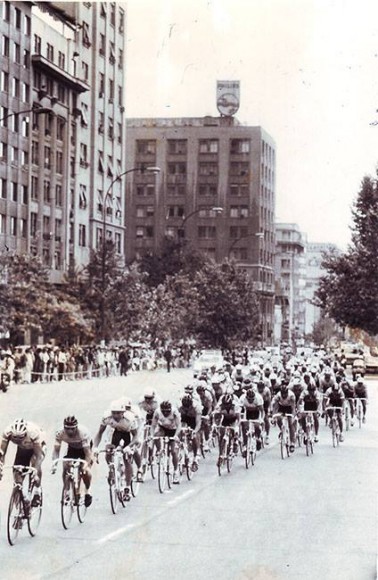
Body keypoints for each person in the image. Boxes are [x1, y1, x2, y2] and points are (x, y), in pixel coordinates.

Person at [93, 399, 142, 500]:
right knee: (108, 451)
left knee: (127, 458)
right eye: (113, 413)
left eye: (118, 413)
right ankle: (112, 469)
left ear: (123, 413)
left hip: (127, 434)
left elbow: (136, 435)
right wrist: (95, 447)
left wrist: (129, 446)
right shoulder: (106, 417)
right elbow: (100, 433)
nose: (115, 415)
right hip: (115, 432)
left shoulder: (130, 419)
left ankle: (127, 487)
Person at [0, 418, 46, 506]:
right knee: (17, 471)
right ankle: (20, 496)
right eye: (15, 438)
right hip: (23, 449)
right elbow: (1, 453)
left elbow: (39, 456)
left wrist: (35, 472)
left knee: (34, 465)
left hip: (37, 448)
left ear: (25, 433)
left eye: (20, 437)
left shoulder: (33, 433)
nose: (18, 440)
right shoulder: (7, 432)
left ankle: (37, 491)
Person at [51, 416, 93, 507]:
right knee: (65, 465)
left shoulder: (83, 433)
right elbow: (56, 450)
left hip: (84, 449)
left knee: (85, 470)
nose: (70, 431)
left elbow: (88, 454)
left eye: (72, 429)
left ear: (76, 427)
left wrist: (86, 465)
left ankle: (87, 491)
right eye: (67, 429)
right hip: (72, 448)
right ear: (64, 427)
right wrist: (54, 463)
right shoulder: (60, 433)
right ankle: (66, 491)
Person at [151, 400, 181, 484]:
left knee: (173, 451)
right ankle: (159, 451)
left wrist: (176, 436)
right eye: (163, 411)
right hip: (163, 428)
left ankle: (176, 471)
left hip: (173, 429)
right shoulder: (157, 412)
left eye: (167, 411)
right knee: (156, 436)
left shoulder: (175, 412)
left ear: (170, 410)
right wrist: (151, 435)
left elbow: (179, 426)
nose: (165, 413)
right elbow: (153, 425)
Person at [214, 393, 241, 464]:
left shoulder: (235, 406)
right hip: (225, 419)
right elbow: (216, 416)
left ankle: (235, 442)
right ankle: (221, 454)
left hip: (234, 420)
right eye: (224, 405)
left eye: (228, 405)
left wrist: (236, 427)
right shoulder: (220, 405)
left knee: (234, 431)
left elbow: (239, 419)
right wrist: (215, 424)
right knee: (221, 437)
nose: (226, 406)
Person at [178, 394, 202, 471]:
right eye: (185, 406)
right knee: (180, 432)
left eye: (188, 406)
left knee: (194, 435)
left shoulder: (196, 407)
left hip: (193, 420)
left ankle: (196, 456)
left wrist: (194, 431)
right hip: (184, 419)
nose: (186, 408)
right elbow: (176, 422)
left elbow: (198, 423)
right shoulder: (179, 407)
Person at [272, 382, 296, 453]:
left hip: (289, 407)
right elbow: (275, 407)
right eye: (283, 393)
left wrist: (293, 415)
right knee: (278, 418)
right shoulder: (278, 395)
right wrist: (274, 415)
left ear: (287, 392)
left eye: (285, 393)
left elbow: (293, 407)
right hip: (281, 407)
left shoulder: (291, 395)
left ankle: (292, 443)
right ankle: (281, 430)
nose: (284, 395)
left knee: (290, 423)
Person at [239, 388, 264, 453]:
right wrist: (240, 420)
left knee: (257, 426)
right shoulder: (242, 398)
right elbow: (239, 411)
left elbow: (262, 411)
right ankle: (245, 444)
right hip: (247, 412)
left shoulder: (258, 398)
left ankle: (257, 438)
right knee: (244, 427)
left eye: (252, 399)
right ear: (246, 397)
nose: (250, 400)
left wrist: (261, 419)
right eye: (249, 399)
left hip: (256, 412)